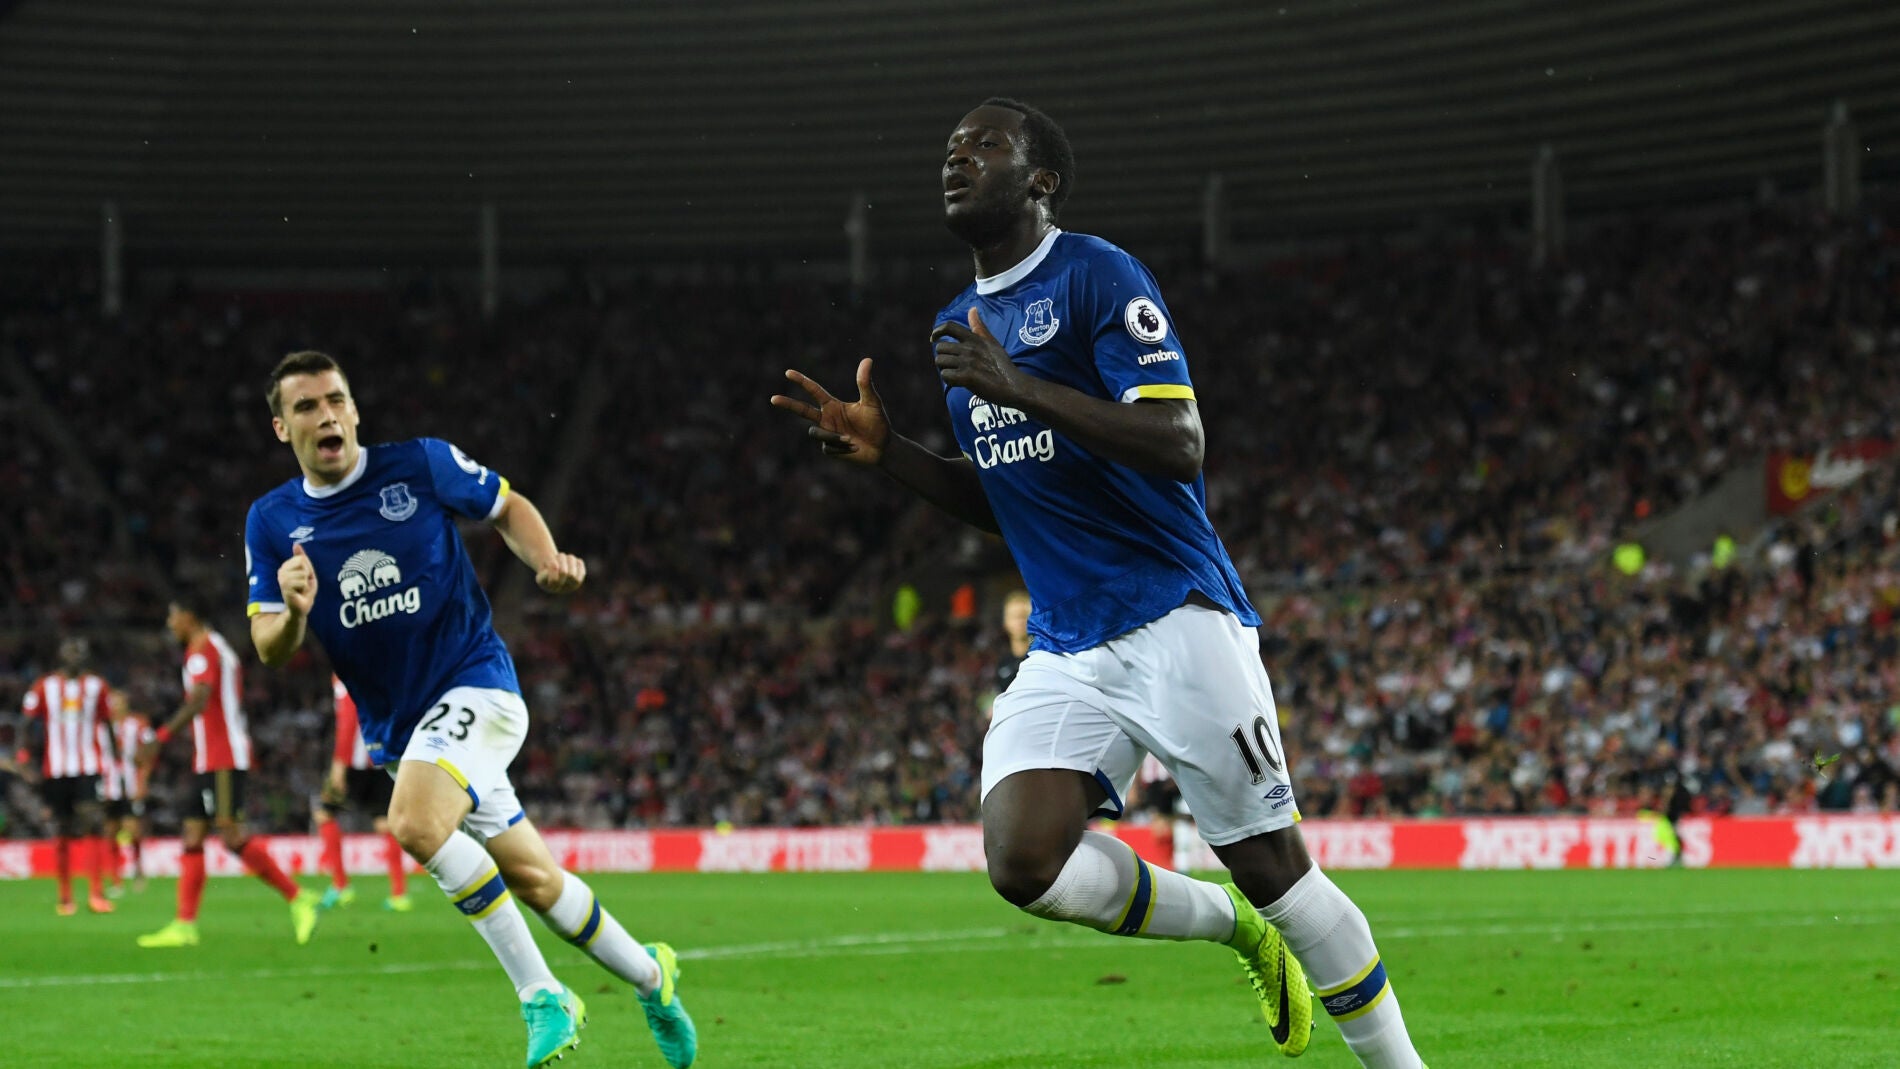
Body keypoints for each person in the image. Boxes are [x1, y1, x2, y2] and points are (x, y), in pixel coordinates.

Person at [772, 98, 1426, 1067]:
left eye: (986, 147)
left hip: (1174, 617)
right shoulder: (959, 322)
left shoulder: (1097, 276)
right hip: (1068, 644)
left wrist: (1018, 385)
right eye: (950, 150)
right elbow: (1008, 497)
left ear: (1041, 181)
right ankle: (1234, 935)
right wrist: (892, 453)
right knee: (1022, 862)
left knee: (1274, 868)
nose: (958, 160)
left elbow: (1177, 443)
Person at [243, 350, 696, 1069]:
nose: (325, 414)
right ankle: (652, 975)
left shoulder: (419, 466)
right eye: (305, 406)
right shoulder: (271, 521)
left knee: (415, 824)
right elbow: (268, 644)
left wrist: (545, 559)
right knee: (536, 880)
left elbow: (507, 504)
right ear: (281, 426)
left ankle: (543, 994)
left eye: (335, 399)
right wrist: (295, 612)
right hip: (404, 730)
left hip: (477, 685)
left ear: (354, 410)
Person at [137, 595, 320, 948]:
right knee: (192, 835)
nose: (169, 624)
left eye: (172, 615)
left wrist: (159, 739)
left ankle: (298, 897)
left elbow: (200, 699)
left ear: (189, 616)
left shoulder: (203, 650)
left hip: (222, 756)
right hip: (208, 757)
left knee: (230, 834)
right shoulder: (215, 646)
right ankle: (185, 925)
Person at [17, 637, 116, 915]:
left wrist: (115, 760)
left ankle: (96, 894)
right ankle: (65, 897)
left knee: (93, 823)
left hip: (89, 767)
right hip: (56, 770)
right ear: (60, 655)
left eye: (80, 651)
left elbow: (107, 724)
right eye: (70, 650)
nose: (76, 655)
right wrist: (23, 759)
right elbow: (25, 723)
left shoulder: (97, 686)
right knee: (62, 829)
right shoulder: (44, 686)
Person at [315, 674, 412, 911]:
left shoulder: (344, 669)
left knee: (324, 814)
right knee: (384, 823)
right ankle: (399, 894)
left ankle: (340, 886)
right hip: (382, 756)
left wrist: (339, 765)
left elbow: (348, 718)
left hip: (354, 760)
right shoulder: (378, 664)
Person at [101, 690, 155, 894]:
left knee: (133, 830)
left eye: (119, 702)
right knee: (110, 831)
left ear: (126, 703)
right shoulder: (101, 726)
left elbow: (150, 750)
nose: (115, 706)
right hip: (108, 786)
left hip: (131, 784)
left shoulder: (138, 723)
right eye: (112, 703)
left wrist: (143, 780)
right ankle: (116, 879)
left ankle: (139, 872)